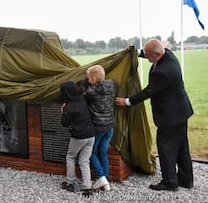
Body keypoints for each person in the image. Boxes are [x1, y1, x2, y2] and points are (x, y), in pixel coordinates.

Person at [115, 39, 194, 191]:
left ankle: (169, 182)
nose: (148, 58)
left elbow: (148, 91)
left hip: (170, 116)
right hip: (180, 111)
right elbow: (152, 53)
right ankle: (185, 179)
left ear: (157, 54)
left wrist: (127, 101)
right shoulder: (167, 54)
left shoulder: (163, 72)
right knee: (181, 146)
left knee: (166, 148)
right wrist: (137, 53)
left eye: (149, 55)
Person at [59, 81, 95, 197]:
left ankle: (70, 183)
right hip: (91, 135)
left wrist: (63, 111)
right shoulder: (82, 98)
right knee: (84, 161)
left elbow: (65, 123)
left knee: (70, 156)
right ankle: (87, 187)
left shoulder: (69, 107)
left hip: (79, 136)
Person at [83, 65, 116, 191]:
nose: (87, 80)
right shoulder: (112, 86)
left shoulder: (92, 91)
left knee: (90, 152)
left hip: (98, 127)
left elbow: (83, 96)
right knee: (103, 152)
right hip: (110, 127)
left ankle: (101, 177)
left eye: (88, 78)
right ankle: (106, 180)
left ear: (94, 78)